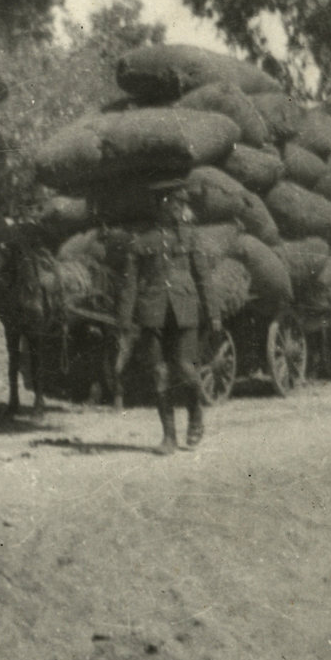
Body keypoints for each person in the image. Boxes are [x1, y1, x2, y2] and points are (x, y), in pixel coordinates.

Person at [114, 176, 220, 454]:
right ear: (162, 204)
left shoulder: (190, 237)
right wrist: (124, 322)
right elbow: (130, 285)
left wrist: (213, 313)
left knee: (186, 368)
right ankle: (169, 437)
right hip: (153, 312)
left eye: (181, 203)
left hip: (185, 310)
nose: (180, 208)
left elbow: (203, 277)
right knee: (159, 373)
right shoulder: (141, 242)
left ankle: (196, 412)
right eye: (175, 203)